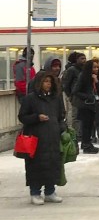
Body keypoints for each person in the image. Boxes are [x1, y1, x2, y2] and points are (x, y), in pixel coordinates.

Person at [18, 72, 67, 205]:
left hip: (52, 138)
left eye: (50, 82)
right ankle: (35, 192)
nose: (48, 84)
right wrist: (36, 117)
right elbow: (22, 117)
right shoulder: (30, 99)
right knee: (35, 166)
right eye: (45, 82)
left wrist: (62, 129)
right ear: (39, 83)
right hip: (36, 138)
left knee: (52, 164)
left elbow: (61, 116)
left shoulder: (56, 98)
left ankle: (50, 191)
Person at [71, 59, 99, 154]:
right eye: (94, 67)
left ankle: (88, 143)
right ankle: (85, 145)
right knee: (86, 126)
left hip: (92, 104)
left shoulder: (95, 77)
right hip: (85, 105)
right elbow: (76, 91)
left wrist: (96, 81)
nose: (96, 69)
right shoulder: (83, 76)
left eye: (97, 67)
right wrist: (88, 96)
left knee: (90, 125)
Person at [61, 52, 86, 133]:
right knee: (74, 116)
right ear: (76, 60)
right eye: (82, 58)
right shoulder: (71, 70)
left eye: (85, 58)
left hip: (82, 97)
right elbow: (66, 84)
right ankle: (74, 134)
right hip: (74, 97)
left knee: (81, 116)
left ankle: (80, 133)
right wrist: (70, 96)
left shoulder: (83, 70)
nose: (84, 60)